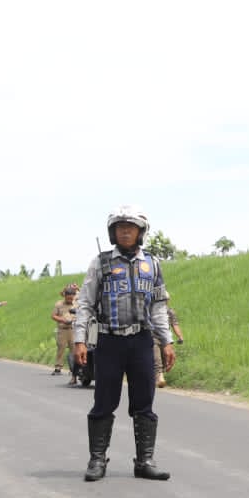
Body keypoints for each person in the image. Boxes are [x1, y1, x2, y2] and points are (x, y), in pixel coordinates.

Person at [74, 205, 175, 482]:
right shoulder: (101, 263)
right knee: (104, 402)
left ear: (141, 231)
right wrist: (79, 339)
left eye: (131, 227)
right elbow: (85, 303)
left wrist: (166, 341)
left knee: (144, 403)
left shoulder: (152, 264)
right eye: (120, 227)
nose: (126, 231)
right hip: (109, 342)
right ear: (113, 232)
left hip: (142, 341)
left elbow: (158, 306)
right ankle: (97, 460)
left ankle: (144, 461)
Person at [51, 283, 77, 376]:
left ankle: (74, 369)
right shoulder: (59, 304)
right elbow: (53, 316)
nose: (70, 300)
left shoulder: (76, 304)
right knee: (61, 348)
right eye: (68, 298)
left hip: (74, 329)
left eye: (72, 298)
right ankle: (58, 368)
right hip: (62, 329)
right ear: (65, 296)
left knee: (74, 349)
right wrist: (62, 320)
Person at [155, 304, 184, 387]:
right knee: (156, 357)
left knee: (164, 359)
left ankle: (157, 376)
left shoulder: (170, 312)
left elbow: (175, 325)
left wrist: (180, 337)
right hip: (152, 337)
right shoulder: (150, 307)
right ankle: (160, 377)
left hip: (165, 338)